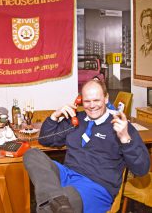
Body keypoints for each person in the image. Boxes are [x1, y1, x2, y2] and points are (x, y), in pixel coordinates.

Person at [23, 80, 150, 213]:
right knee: (32, 154)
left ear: (106, 99)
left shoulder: (121, 126)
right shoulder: (76, 119)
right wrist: (54, 116)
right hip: (67, 174)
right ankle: (57, 198)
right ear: (81, 101)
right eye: (87, 101)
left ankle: (56, 200)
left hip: (95, 187)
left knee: (54, 207)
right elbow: (46, 140)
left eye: (96, 100)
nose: (92, 105)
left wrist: (125, 139)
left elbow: (141, 169)